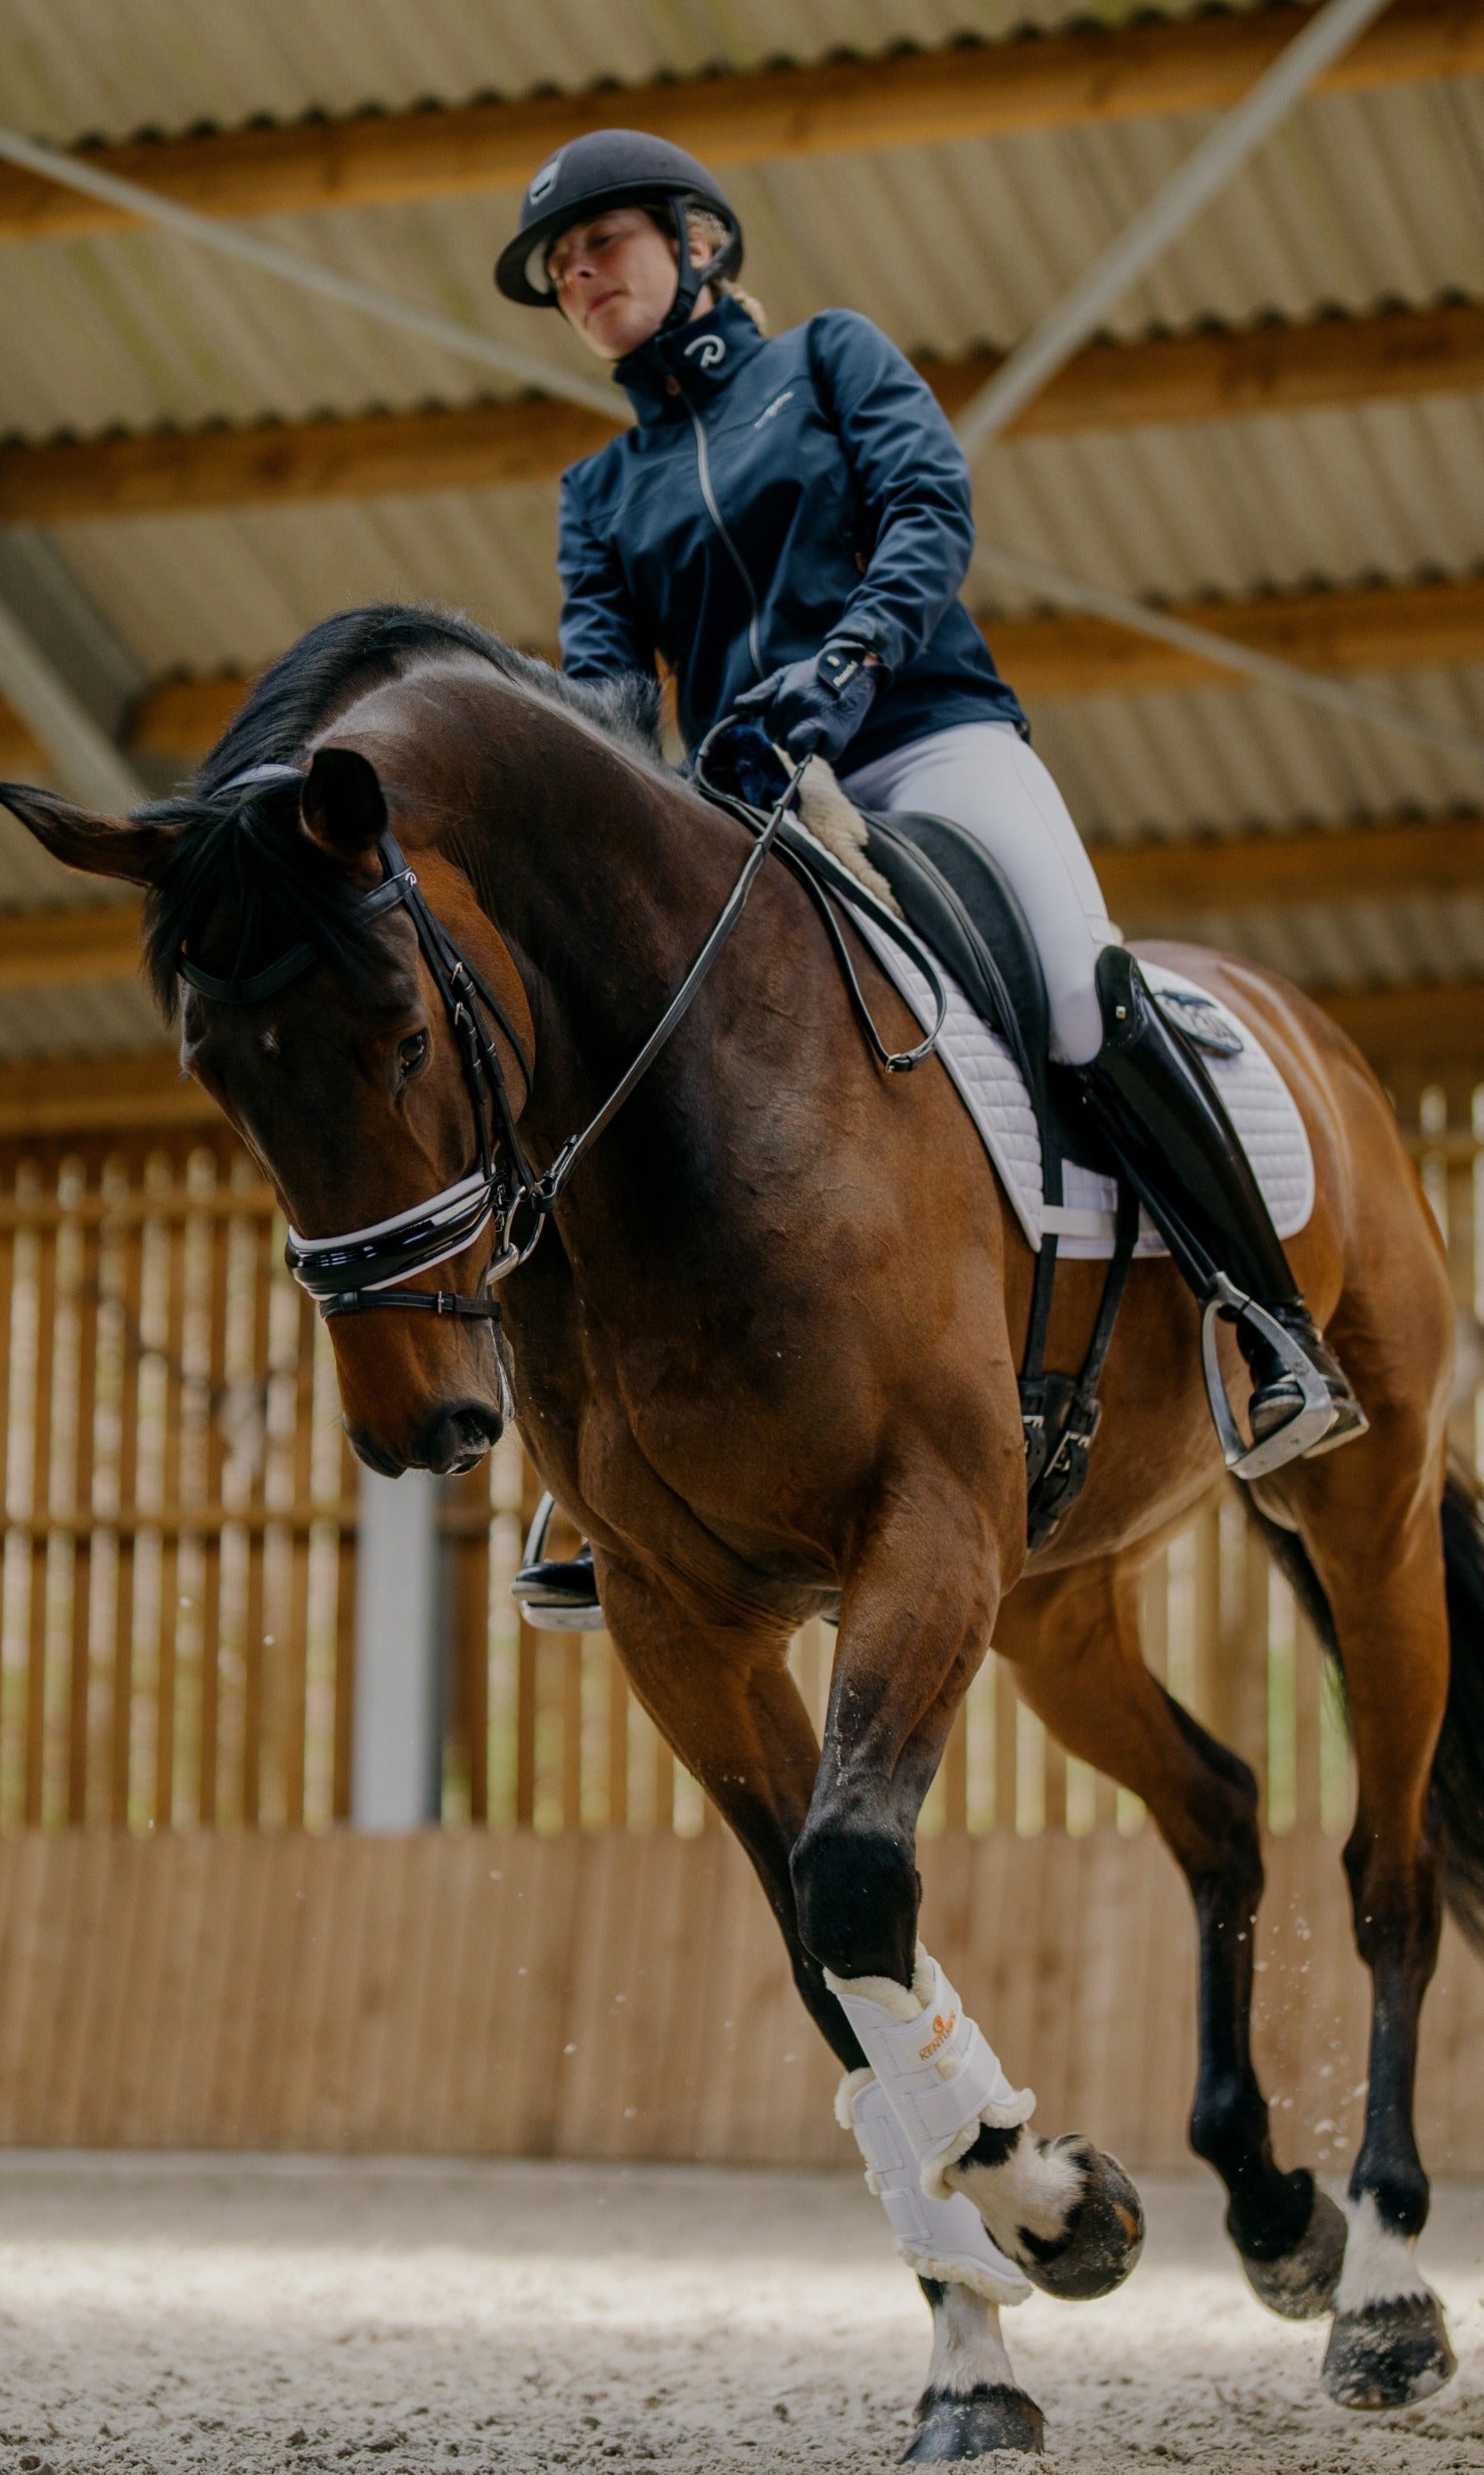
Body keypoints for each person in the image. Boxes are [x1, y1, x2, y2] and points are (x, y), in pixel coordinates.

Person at [494, 131, 1361, 1614]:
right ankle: (595, 1477)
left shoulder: (830, 361)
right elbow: (609, 691)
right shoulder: (599, 492)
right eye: (563, 269)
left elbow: (926, 515)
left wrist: (845, 668)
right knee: (620, 1057)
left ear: (698, 244)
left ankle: (1268, 1325)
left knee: (1084, 989)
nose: (581, 277)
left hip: (925, 742)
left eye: (603, 244)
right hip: (749, 806)